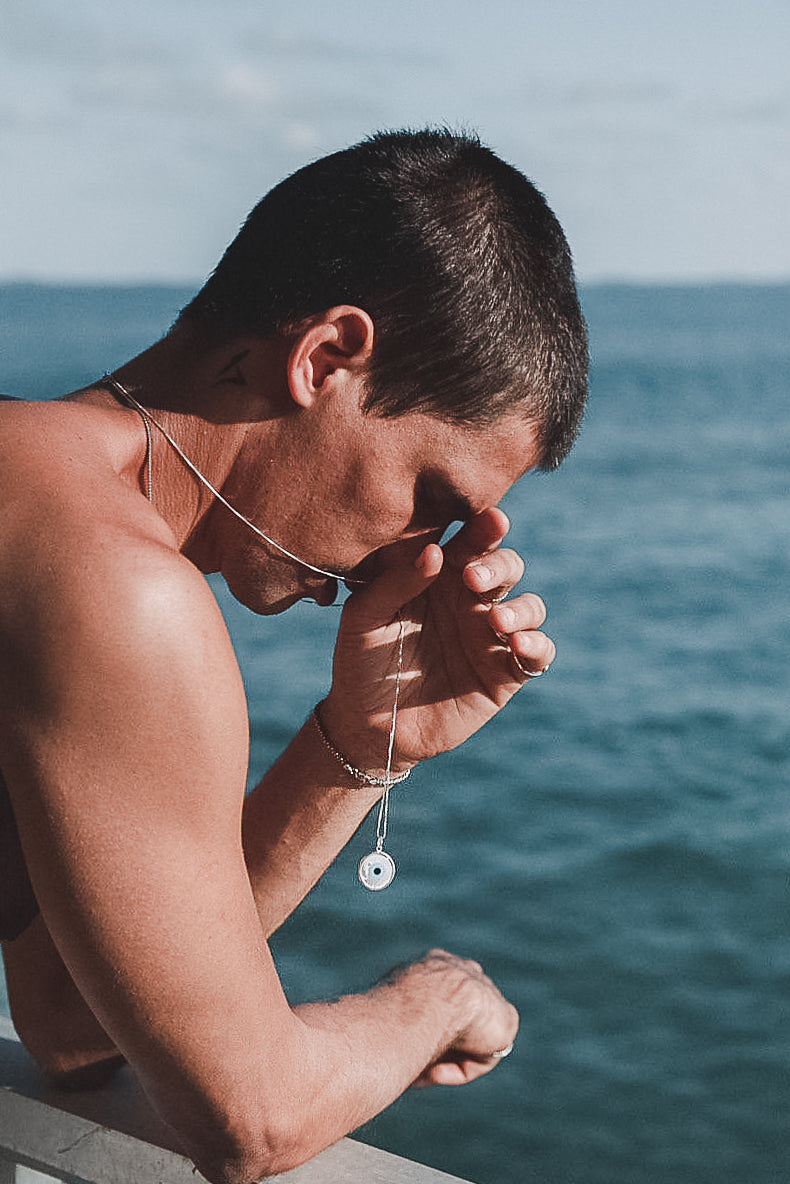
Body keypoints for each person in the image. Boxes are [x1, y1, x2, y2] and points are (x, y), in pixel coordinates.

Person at [0, 129, 587, 1183]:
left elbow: (70, 1023)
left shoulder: (33, 488)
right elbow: (249, 1115)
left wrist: (361, 743)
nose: (418, 555)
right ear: (324, 357)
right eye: (433, 499)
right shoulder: (117, 583)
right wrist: (437, 998)